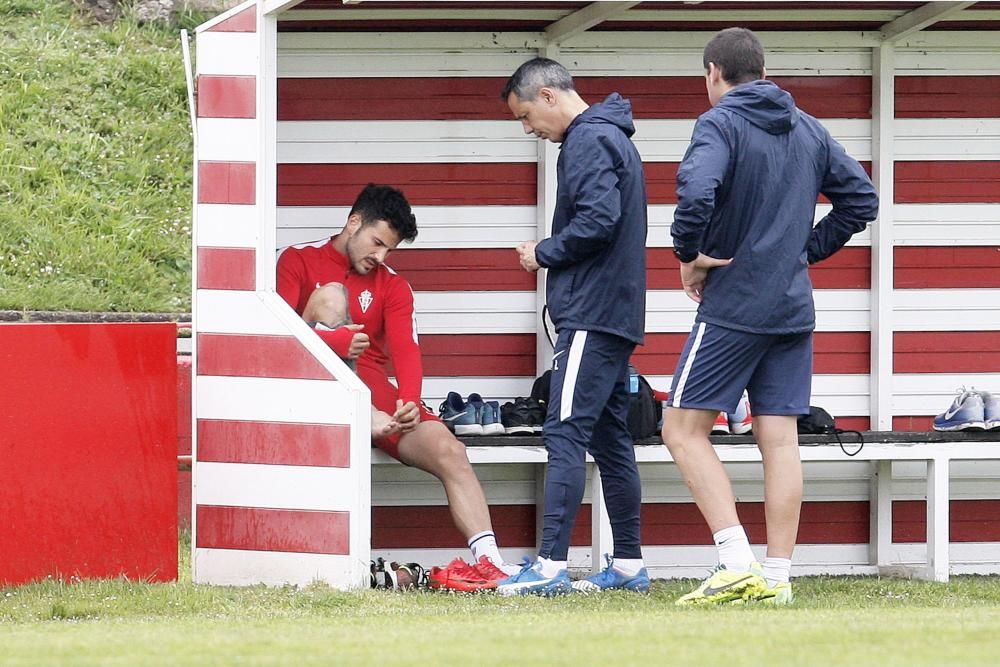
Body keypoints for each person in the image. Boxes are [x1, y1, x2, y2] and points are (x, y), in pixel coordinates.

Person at [661, 28, 879, 606]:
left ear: (713, 73)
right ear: (762, 69)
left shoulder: (719, 123)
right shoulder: (806, 125)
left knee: (681, 430)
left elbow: (697, 190)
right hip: (791, 305)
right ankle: (778, 579)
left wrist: (689, 253)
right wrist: (802, 251)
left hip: (736, 304)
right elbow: (862, 199)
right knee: (779, 440)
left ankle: (736, 562)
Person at [277, 183, 520, 589]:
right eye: (376, 243)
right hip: (314, 389)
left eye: (389, 249)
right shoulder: (297, 259)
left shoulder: (392, 285)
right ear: (353, 222)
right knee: (332, 296)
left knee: (450, 449)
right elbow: (277, 337)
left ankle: (492, 564)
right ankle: (364, 415)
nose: (380, 256)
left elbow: (407, 350)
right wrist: (334, 341)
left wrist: (408, 400)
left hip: (376, 395)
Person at [496, 58, 650, 595]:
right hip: (617, 314)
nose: (527, 129)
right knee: (611, 441)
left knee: (563, 431)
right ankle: (629, 567)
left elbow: (597, 222)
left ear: (547, 95)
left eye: (525, 115)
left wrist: (542, 253)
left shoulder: (587, 141)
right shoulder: (612, 137)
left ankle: (549, 566)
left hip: (592, 313)